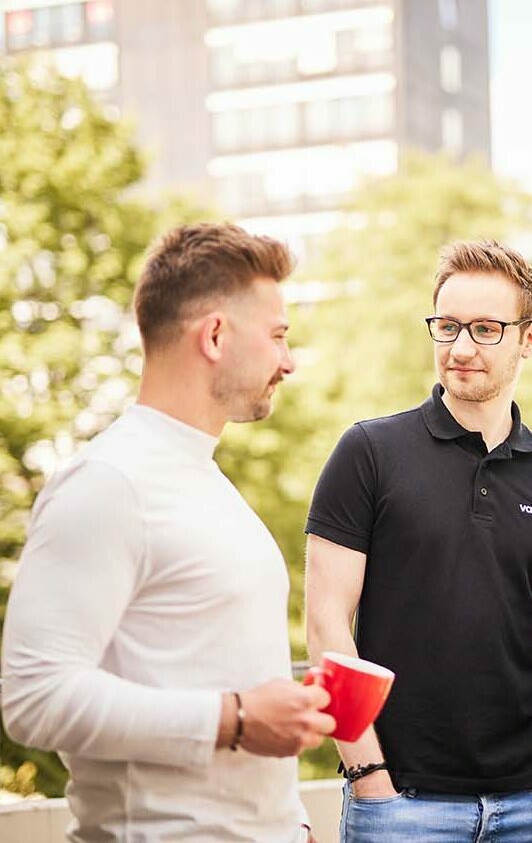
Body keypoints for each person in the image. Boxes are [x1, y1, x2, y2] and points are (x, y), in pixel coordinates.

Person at [1, 223, 336, 842]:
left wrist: (293, 823)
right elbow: (34, 697)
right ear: (215, 335)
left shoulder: (207, 481)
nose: (287, 361)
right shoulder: (107, 483)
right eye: (277, 336)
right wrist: (234, 718)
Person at [305, 240, 532, 842]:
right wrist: (368, 775)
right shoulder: (369, 452)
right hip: (400, 804)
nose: (461, 348)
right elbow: (326, 625)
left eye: (486, 329)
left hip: (528, 807)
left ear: (530, 339)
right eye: (448, 326)